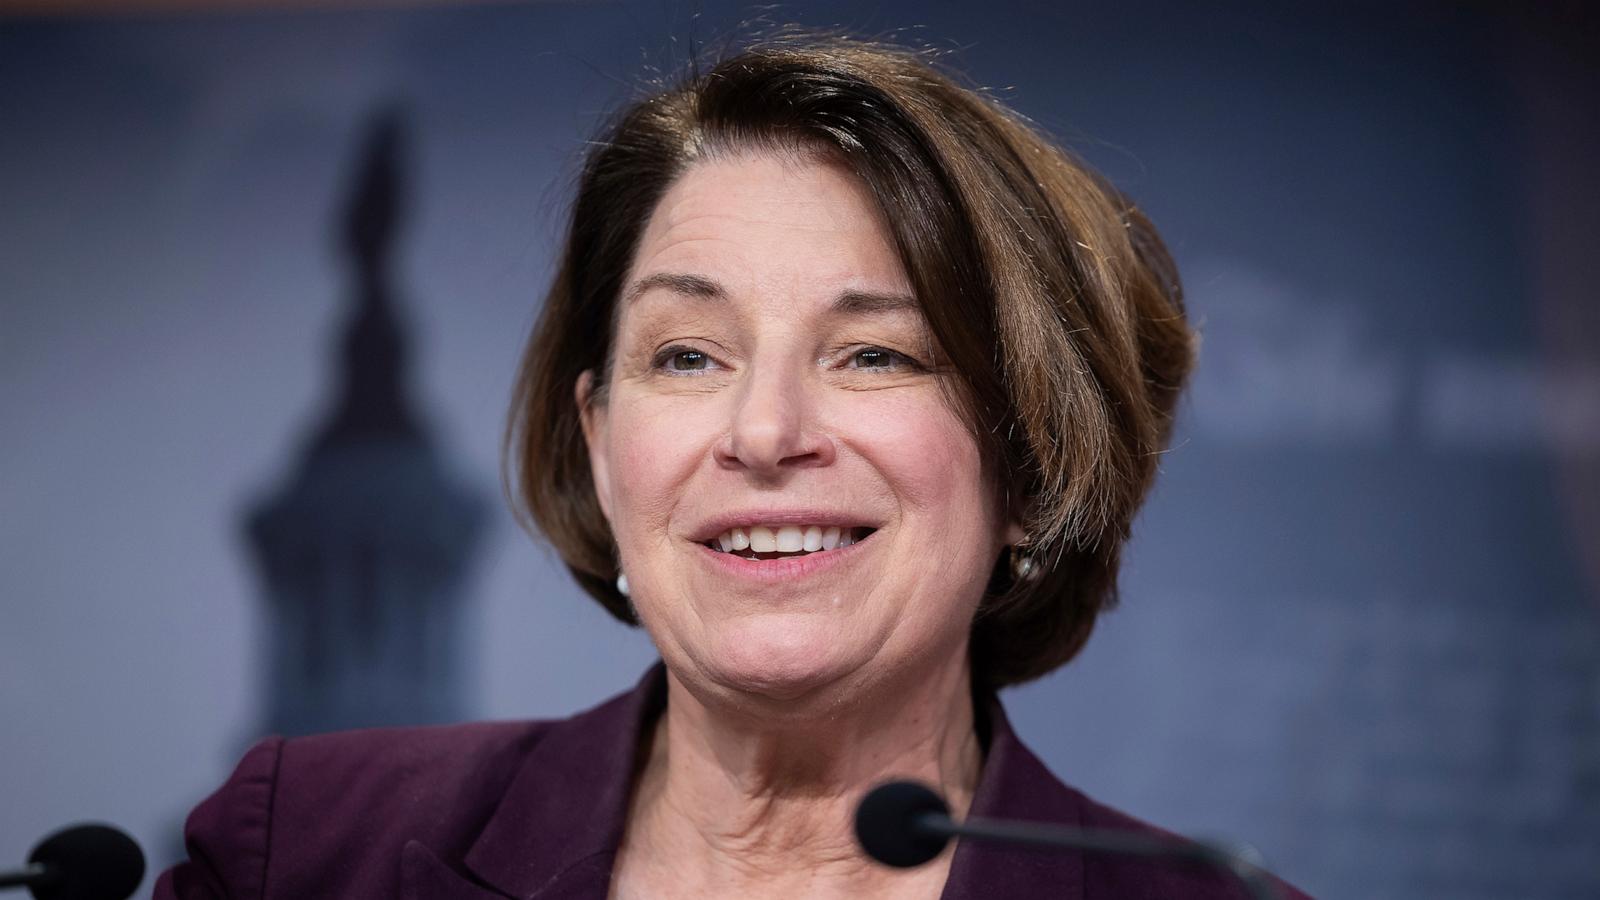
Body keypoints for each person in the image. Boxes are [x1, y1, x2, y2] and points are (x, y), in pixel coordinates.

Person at [156, 36, 1309, 900]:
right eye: (689, 354)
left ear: (1034, 464)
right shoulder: (305, 853)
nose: (763, 433)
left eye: (872, 353)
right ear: (602, 445)